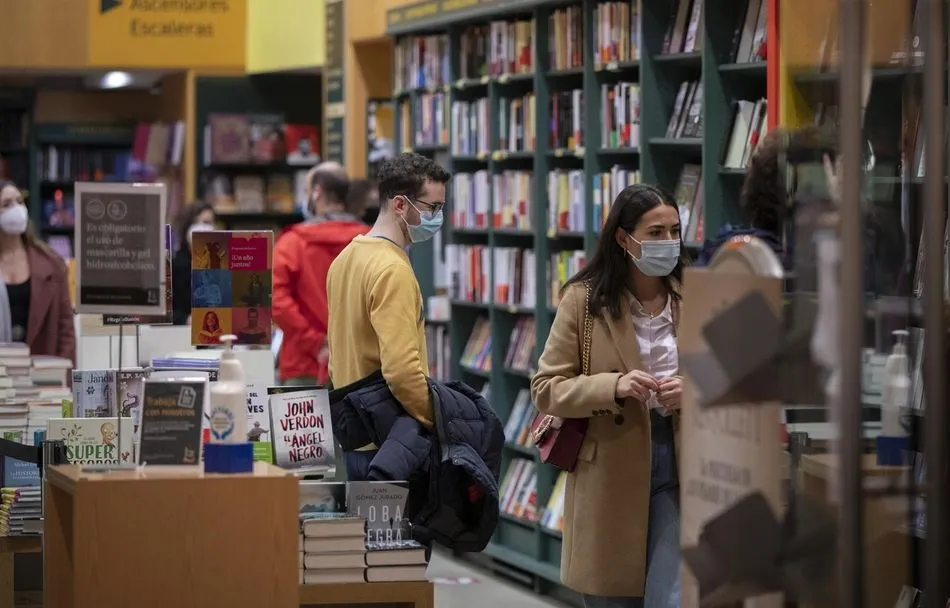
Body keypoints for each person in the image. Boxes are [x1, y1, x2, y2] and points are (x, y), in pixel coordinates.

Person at [531, 184, 685, 608]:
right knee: (612, 597)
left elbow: (729, 377)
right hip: (610, 465)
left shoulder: (692, 295)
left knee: (672, 597)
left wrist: (694, 390)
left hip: (679, 460)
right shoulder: (584, 301)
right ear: (623, 237)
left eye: (674, 231)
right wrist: (612, 386)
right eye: (655, 233)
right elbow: (545, 389)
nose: (668, 242)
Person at [325, 153, 450, 480]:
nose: (438, 217)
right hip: (392, 444)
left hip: (356, 434)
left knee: (361, 516)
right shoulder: (392, 269)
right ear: (399, 205)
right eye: (432, 208)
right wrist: (438, 420)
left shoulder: (345, 259)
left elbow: (336, 356)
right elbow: (401, 370)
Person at [273, 162, 369, 385]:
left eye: (307, 190)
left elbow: (277, 301)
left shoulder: (292, 243)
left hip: (304, 365)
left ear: (317, 192)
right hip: (360, 364)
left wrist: (316, 343)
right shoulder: (370, 241)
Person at [0, 180, 75, 363]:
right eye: (7, 204)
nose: (16, 209)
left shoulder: (52, 264)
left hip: (42, 374)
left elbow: (66, 331)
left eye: (19, 201)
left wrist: (62, 376)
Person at [171, 202, 216, 325]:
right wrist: (185, 319)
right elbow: (165, 312)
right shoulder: (174, 264)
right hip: (182, 332)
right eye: (204, 222)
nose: (207, 228)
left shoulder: (221, 263)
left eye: (210, 223)